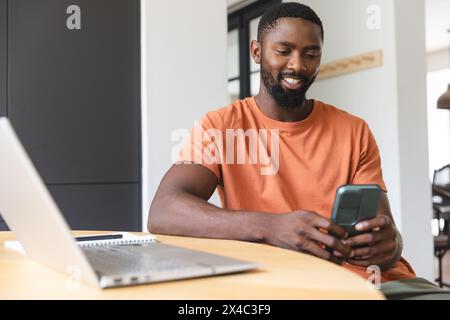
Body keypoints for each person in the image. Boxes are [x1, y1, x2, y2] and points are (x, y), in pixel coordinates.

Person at [148, 2, 442, 297]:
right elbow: (164, 211)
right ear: (256, 51)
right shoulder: (220, 127)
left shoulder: (355, 130)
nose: (298, 65)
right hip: (296, 286)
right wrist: (270, 227)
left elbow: (384, 236)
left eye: (311, 54)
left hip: (381, 284)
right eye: (284, 50)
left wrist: (392, 244)